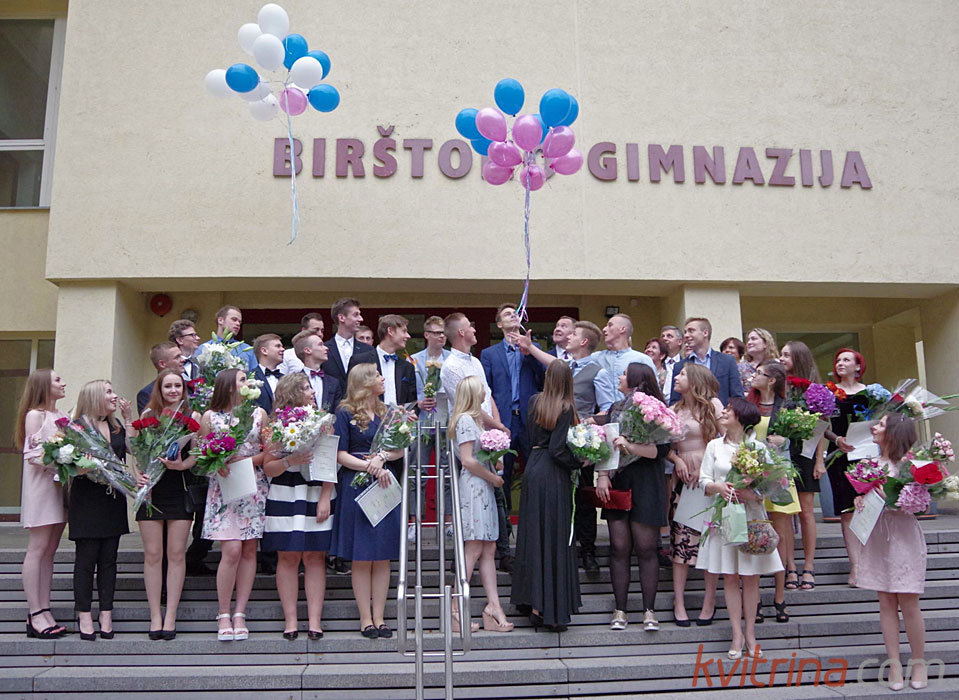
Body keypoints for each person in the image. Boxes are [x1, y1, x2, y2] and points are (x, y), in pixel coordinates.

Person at [512, 321, 617, 572]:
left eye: (574, 333)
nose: (568, 336)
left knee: (583, 497)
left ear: (584, 342)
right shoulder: (564, 366)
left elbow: (608, 410)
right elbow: (551, 362)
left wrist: (590, 422)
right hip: (554, 444)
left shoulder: (598, 372)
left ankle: (587, 550)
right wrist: (530, 347)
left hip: (579, 444)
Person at [699, 398, 784, 660]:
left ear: (741, 416)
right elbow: (704, 481)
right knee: (729, 576)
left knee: (751, 577)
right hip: (724, 515)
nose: (723, 412)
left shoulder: (758, 447)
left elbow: (773, 484)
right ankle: (736, 634)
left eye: (728, 410)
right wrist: (719, 487)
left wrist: (753, 493)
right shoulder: (714, 445)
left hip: (751, 517)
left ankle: (751, 634)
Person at [853, 414, 928, 690]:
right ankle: (894, 665)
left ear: (894, 432)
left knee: (908, 600)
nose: (874, 427)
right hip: (878, 535)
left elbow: (922, 505)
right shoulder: (870, 465)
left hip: (904, 536)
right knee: (885, 599)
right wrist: (861, 499)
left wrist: (894, 498)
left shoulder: (912, 465)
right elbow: (866, 495)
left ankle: (919, 662)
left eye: (881, 425)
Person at [330, 363, 404, 638]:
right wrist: (369, 466)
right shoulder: (344, 412)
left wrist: (382, 458)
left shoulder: (388, 412)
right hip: (357, 485)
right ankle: (365, 619)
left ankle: (380, 617)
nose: (383, 378)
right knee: (361, 556)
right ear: (364, 381)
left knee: (383, 556)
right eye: (377, 375)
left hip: (384, 484)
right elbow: (339, 454)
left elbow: (400, 448)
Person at [595, 363, 670, 632]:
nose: (620, 376)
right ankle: (620, 610)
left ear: (637, 380)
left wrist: (631, 446)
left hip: (647, 481)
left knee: (646, 548)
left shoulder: (656, 410)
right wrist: (603, 475)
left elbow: (660, 451)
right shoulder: (615, 408)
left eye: (625, 373)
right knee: (618, 546)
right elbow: (606, 445)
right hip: (619, 480)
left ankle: (649, 610)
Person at [262, 374, 335, 641]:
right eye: (305, 388)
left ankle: (315, 621)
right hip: (285, 490)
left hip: (317, 489)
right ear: (292, 393)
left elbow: (329, 461)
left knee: (315, 556)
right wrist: (290, 461)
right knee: (288, 556)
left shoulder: (324, 421)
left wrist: (326, 496)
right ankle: (291, 620)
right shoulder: (276, 425)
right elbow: (268, 467)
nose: (312, 392)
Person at [511, 362, 583, 631]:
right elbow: (558, 450)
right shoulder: (566, 407)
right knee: (554, 537)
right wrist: (580, 461)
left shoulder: (533, 402)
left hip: (533, 468)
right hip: (553, 474)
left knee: (534, 536)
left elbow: (532, 437)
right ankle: (551, 609)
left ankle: (533, 604)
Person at [199, 369, 269, 641]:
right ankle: (223, 612)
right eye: (241, 379)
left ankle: (240, 611)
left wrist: (245, 461)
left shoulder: (259, 414)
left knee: (250, 549)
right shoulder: (210, 417)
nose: (247, 383)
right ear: (228, 386)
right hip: (224, 487)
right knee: (231, 550)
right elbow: (202, 453)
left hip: (252, 486)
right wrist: (216, 462)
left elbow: (269, 452)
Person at [440, 312, 512, 571]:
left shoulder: (476, 361)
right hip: (470, 436)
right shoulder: (451, 367)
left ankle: (500, 549)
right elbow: (470, 405)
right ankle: (464, 557)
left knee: (497, 496)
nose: (473, 329)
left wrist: (498, 431)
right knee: (477, 496)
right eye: (469, 326)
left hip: (488, 434)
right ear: (461, 332)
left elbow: (487, 396)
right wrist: (495, 427)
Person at [134, 369, 200, 639]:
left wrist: (182, 465)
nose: (173, 391)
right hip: (152, 490)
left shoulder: (193, 416)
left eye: (177, 386)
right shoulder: (148, 415)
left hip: (178, 488)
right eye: (168, 386)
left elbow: (198, 452)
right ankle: (155, 616)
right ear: (159, 389)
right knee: (153, 554)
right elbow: (138, 453)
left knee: (176, 554)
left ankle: (170, 615)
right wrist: (138, 474)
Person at [450, 376, 514, 633]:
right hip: (475, 485)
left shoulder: (473, 420)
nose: (485, 395)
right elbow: (467, 460)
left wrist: (495, 458)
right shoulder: (465, 420)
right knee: (474, 547)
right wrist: (492, 477)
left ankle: (493, 606)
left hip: (482, 484)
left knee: (488, 547)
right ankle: (455, 607)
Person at [70, 380, 133, 641]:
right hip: (86, 499)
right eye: (108, 392)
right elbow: (68, 466)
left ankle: (106, 613)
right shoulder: (77, 428)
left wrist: (128, 419)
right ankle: (84, 614)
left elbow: (133, 450)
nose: (114, 396)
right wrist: (84, 466)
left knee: (109, 560)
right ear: (95, 396)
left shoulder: (116, 427)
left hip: (112, 500)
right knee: (86, 560)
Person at [668, 364, 723, 627]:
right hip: (683, 480)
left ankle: (709, 601)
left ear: (696, 380)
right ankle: (678, 601)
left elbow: (727, 440)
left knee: (709, 541)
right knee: (681, 540)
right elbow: (662, 446)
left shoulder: (713, 406)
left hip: (708, 478)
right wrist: (676, 459)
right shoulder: (673, 410)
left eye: (682, 375)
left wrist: (707, 467)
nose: (677, 378)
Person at [17, 369, 69, 639]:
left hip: (60, 488)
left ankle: (45, 607)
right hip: (41, 488)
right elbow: (33, 454)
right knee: (37, 548)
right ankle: (35, 612)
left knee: (50, 550)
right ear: (43, 386)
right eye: (57, 380)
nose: (63, 383)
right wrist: (65, 460)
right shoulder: (34, 415)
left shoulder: (62, 416)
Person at [747, 360, 800, 624]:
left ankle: (779, 596)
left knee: (780, 536)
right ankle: (755, 598)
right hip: (754, 474)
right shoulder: (749, 405)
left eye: (759, 373)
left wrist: (785, 441)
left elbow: (801, 441)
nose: (753, 377)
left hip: (779, 475)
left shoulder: (787, 407)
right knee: (756, 534)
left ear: (772, 380)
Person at [481, 304, 545, 509]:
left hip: (531, 419)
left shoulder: (534, 348)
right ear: (499, 324)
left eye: (516, 313)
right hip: (503, 421)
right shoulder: (489, 354)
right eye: (507, 314)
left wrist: (529, 351)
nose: (513, 316)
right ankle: (505, 521)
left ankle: (534, 516)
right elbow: (486, 391)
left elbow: (544, 380)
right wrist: (493, 423)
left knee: (535, 470)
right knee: (503, 472)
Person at [779, 340, 825, 591]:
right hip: (781, 452)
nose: (782, 358)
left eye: (787, 355)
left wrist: (819, 460)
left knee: (806, 511)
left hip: (805, 452)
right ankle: (790, 566)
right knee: (785, 512)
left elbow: (820, 426)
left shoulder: (813, 389)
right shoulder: (778, 385)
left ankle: (808, 565)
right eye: (781, 354)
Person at [824, 348, 869, 586]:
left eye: (846, 360)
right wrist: (836, 439)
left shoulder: (871, 393)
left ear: (858, 366)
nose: (840, 363)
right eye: (838, 360)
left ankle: (871, 561)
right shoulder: (829, 393)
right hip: (841, 455)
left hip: (868, 456)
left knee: (869, 509)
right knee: (847, 511)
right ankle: (856, 565)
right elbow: (821, 425)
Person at [669, 317, 744, 405]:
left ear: (705, 333)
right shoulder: (679, 366)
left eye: (691, 331)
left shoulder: (727, 361)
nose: (686, 335)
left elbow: (737, 396)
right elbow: (675, 401)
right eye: (685, 332)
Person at [590, 313, 654, 400]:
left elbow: (652, 391)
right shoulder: (595, 358)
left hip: (631, 407)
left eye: (610, 325)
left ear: (622, 329)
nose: (604, 329)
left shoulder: (642, 359)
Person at [323, 297, 377, 388]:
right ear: (341, 317)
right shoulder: (324, 349)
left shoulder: (369, 350)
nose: (361, 319)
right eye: (356, 315)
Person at [367, 314, 418, 407]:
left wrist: (411, 412)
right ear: (390, 331)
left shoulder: (407, 367)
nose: (408, 336)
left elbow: (412, 402)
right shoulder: (362, 361)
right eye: (404, 331)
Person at [195, 305, 257, 371]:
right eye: (234, 319)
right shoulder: (204, 349)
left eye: (239, 322)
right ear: (220, 320)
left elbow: (254, 374)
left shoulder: (247, 350)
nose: (238, 324)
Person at [293, 330, 343, 411]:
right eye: (320, 345)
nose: (326, 348)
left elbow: (337, 410)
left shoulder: (333, 382)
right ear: (308, 350)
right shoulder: (294, 382)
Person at [137, 342, 186, 414]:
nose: (183, 360)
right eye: (177, 357)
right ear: (162, 364)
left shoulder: (188, 387)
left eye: (178, 386)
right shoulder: (146, 394)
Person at [252, 333, 285, 416]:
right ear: (264, 351)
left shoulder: (286, 379)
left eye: (282, 346)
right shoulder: (250, 377)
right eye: (278, 346)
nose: (283, 349)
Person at [659, 325, 684, 400]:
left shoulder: (687, 364)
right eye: (662, 336)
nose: (664, 339)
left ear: (679, 342)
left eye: (669, 336)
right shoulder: (656, 363)